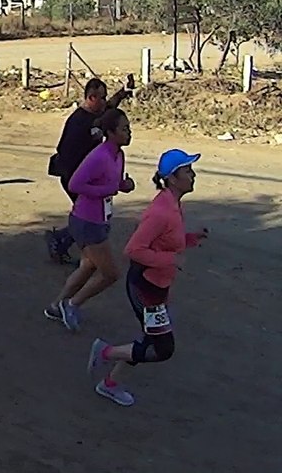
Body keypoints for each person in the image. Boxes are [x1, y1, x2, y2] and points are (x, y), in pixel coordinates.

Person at [87, 150, 207, 406]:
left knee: (149, 338)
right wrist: (171, 260)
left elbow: (165, 243)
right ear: (172, 178)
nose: (193, 175)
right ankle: (105, 352)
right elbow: (134, 250)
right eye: (187, 170)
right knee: (162, 349)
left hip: (158, 286)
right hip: (146, 288)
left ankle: (109, 384)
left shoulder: (172, 205)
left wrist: (190, 239)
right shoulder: (161, 211)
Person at [45, 108, 136, 331]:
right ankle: (72, 304)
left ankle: (57, 306)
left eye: (129, 128)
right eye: (124, 129)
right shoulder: (99, 156)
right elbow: (75, 184)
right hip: (86, 221)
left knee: (87, 266)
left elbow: (113, 184)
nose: (129, 133)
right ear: (111, 132)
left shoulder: (118, 155)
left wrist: (123, 186)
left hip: (100, 219)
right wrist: (109, 188)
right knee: (111, 274)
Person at [46, 78, 131, 265]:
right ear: (91, 97)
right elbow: (65, 153)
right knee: (87, 217)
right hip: (75, 176)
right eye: (101, 98)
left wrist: (122, 93)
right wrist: (81, 177)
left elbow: (111, 107)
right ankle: (70, 247)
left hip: (91, 178)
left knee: (89, 215)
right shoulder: (77, 122)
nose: (104, 101)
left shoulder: (99, 115)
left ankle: (69, 245)